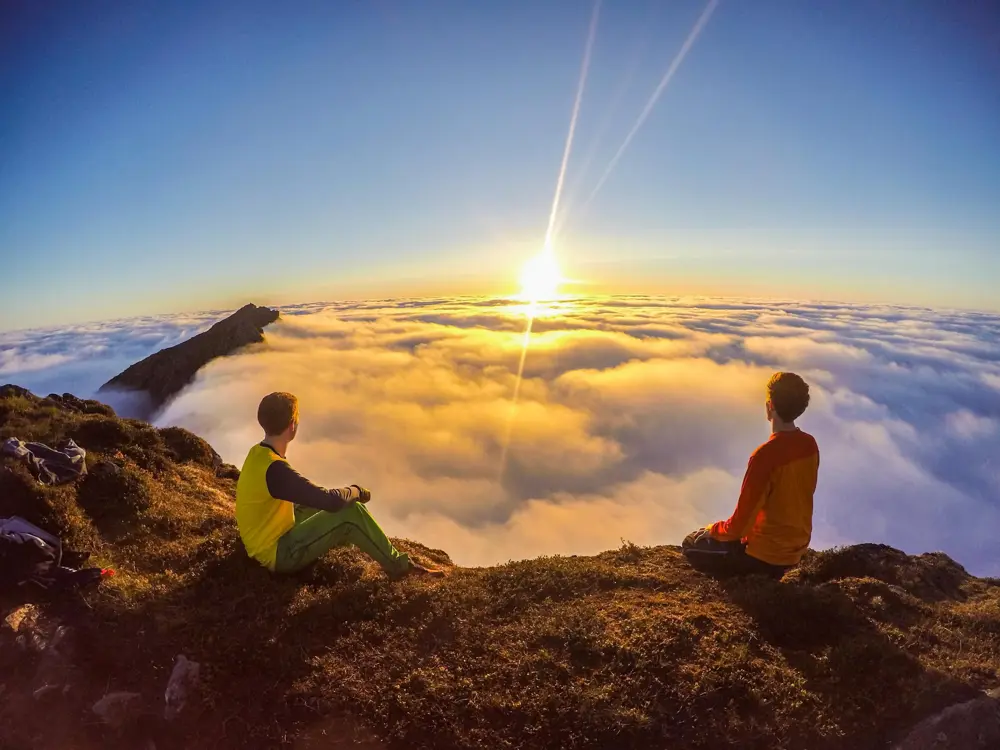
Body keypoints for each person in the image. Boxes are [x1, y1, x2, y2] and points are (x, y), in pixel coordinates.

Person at [236, 391, 443, 578]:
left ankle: (345, 542)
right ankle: (401, 568)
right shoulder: (276, 469)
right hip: (278, 554)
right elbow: (332, 502)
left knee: (313, 504)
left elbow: (314, 497)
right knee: (350, 511)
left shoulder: (258, 453)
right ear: (292, 425)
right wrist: (357, 491)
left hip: (264, 540)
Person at [682, 372, 819, 579]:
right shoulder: (810, 445)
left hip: (764, 557)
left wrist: (713, 530)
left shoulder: (765, 456)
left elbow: (738, 527)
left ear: (770, 405)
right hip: (796, 550)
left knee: (691, 543)